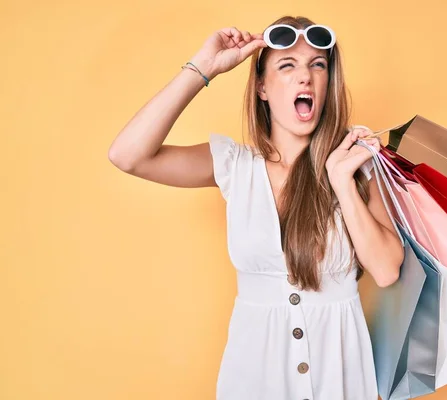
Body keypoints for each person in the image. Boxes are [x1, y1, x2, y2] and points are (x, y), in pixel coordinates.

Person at [108, 14, 404, 400]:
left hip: (340, 379)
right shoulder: (235, 166)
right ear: (261, 87)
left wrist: (341, 182)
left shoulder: (357, 165)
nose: (306, 77)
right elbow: (127, 155)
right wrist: (204, 67)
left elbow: (385, 271)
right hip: (253, 377)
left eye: (318, 65)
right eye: (288, 65)